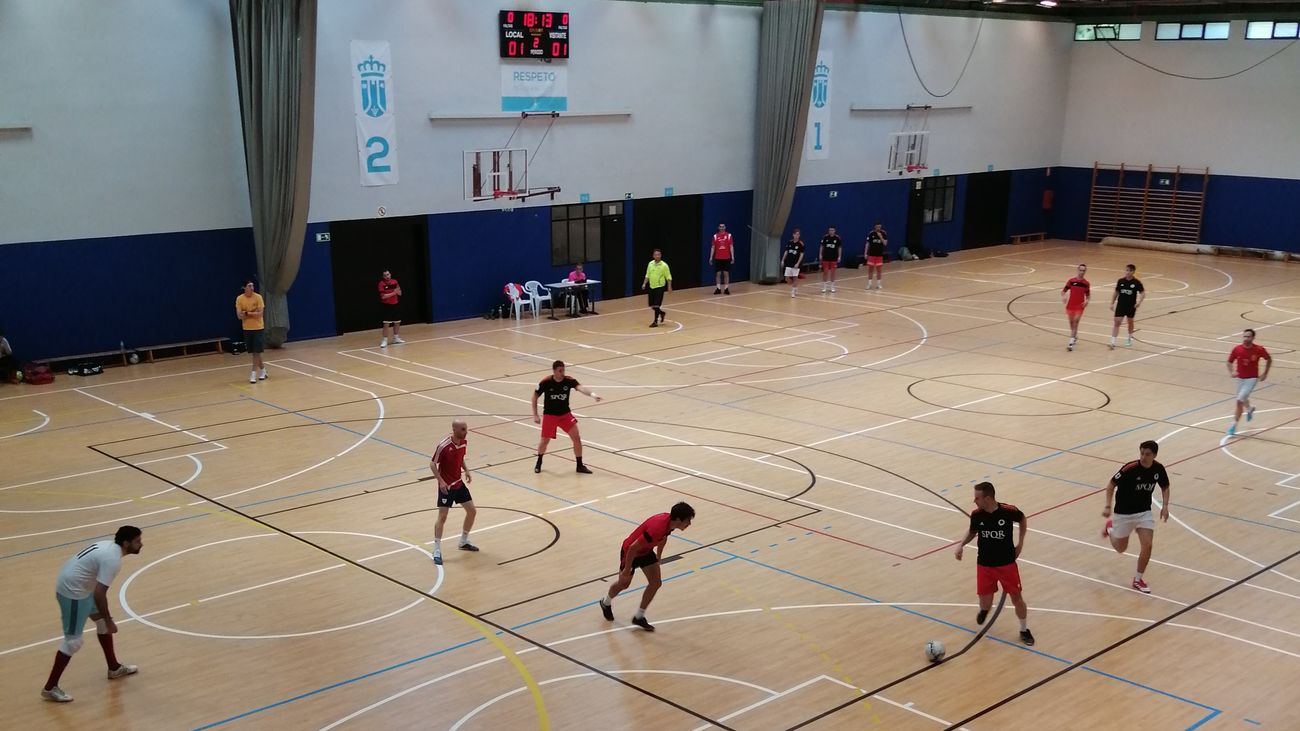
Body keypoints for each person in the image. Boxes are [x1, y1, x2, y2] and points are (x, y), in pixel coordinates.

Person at [41, 526, 144, 702]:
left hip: (80, 586)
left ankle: (114, 668)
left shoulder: (109, 547)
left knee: (102, 625)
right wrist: (110, 619)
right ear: (126, 543)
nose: (141, 544)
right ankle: (50, 688)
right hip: (73, 592)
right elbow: (99, 593)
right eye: (137, 541)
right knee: (73, 641)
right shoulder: (113, 560)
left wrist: (106, 620)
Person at [955, 482, 1034, 645]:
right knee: (985, 602)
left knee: (1017, 599)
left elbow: (1023, 519)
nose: (974, 501)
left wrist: (1020, 544)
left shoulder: (1008, 511)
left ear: (988, 498)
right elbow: (972, 531)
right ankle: (984, 610)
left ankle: (1024, 629)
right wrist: (961, 544)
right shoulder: (977, 515)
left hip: (1006, 564)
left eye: (977, 498)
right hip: (984, 565)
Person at [598, 502, 695, 631]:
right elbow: (632, 548)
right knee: (624, 584)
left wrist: (659, 557)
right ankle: (606, 602)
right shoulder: (657, 527)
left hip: (646, 551)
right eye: (688, 520)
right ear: (678, 519)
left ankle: (639, 616)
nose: (689, 524)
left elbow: (663, 538)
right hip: (630, 552)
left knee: (656, 582)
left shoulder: (669, 524)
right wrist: (627, 569)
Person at [1101, 440, 1170, 594]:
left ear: (1155, 455)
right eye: (1142, 453)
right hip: (1123, 514)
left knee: (1148, 545)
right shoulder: (1129, 469)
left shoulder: (1158, 469)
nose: (1144, 457)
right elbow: (1111, 484)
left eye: (1148, 454)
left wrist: (1165, 506)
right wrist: (1107, 506)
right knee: (1120, 548)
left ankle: (1138, 579)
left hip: (1143, 513)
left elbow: (1165, 487)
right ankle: (1110, 528)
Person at [532, 360, 602, 474]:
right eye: (560, 371)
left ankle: (579, 465)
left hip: (565, 415)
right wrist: (535, 415)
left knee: (577, 438)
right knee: (544, 441)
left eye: (563, 370)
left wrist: (593, 395)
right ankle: (539, 461)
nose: (562, 373)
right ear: (554, 371)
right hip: (550, 415)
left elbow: (580, 388)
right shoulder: (546, 382)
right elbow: (534, 397)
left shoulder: (568, 380)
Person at [430, 419, 477, 565]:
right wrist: (441, 481)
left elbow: (460, 458)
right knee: (442, 517)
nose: (466, 432)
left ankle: (463, 541)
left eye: (466, 428)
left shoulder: (463, 442)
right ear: (454, 429)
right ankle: (436, 549)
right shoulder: (444, 446)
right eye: (463, 429)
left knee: (472, 511)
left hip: (458, 483)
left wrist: (467, 470)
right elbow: (432, 464)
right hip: (446, 487)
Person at [1226, 328, 1272, 436]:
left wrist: (1265, 373)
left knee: (1239, 400)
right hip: (1240, 379)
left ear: (1253, 338)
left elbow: (1269, 359)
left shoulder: (1259, 349)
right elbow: (1229, 362)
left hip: (1251, 379)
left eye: (1248, 337)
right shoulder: (1237, 349)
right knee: (1243, 398)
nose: (1246, 339)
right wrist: (1232, 372)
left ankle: (1233, 425)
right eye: (1244, 336)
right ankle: (1250, 409)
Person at [235, 280, 267, 383]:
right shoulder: (240, 299)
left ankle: (253, 373)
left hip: (258, 328)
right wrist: (253, 313)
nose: (252, 288)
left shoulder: (258, 297)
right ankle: (263, 370)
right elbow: (239, 316)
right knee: (254, 352)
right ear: (244, 287)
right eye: (249, 286)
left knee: (256, 352)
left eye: (253, 285)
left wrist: (247, 313)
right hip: (247, 329)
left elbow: (260, 314)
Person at [1109, 264, 1145, 349]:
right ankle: (1112, 342)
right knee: (1117, 321)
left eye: (1130, 271)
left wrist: (1139, 302)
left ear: (1133, 272)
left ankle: (1129, 337)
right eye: (1127, 270)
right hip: (1121, 305)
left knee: (1130, 322)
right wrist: (1112, 303)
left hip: (1131, 306)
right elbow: (1116, 292)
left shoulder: (1136, 283)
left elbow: (1142, 293)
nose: (1128, 272)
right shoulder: (1121, 281)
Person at [1061, 263, 1090, 351]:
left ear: (1085, 271)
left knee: (1076, 321)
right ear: (1078, 270)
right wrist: (1064, 296)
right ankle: (1075, 336)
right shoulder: (1071, 281)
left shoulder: (1086, 283)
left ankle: (1070, 344)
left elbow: (1088, 296)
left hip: (1079, 306)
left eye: (1083, 270)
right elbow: (1063, 291)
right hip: (1071, 304)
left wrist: (1086, 301)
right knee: (1071, 323)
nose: (1082, 272)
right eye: (1080, 270)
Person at [642, 249, 673, 328]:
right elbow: (647, 275)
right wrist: (644, 283)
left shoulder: (664, 265)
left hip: (660, 287)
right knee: (652, 305)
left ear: (661, 255)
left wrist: (669, 287)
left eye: (658, 254)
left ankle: (655, 321)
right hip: (652, 286)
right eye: (655, 255)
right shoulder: (650, 264)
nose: (657, 256)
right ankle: (662, 313)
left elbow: (668, 277)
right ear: (653, 256)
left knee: (656, 305)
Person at [378, 270, 405, 348]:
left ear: (390, 274)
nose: (387, 276)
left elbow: (400, 293)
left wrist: (398, 291)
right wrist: (394, 292)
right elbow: (383, 296)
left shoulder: (395, 281)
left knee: (397, 322)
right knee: (386, 323)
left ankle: (396, 338)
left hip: (395, 304)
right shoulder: (381, 284)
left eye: (388, 274)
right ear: (383, 277)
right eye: (385, 275)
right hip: (386, 306)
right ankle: (384, 340)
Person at [710, 223, 734, 295]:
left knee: (726, 273)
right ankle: (718, 288)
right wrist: (711, 257)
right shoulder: (715, 236)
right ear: (718, 228)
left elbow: (731, 247)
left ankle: (726, 288)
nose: (722, 228)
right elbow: (713, 247)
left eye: (723, 226)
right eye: (720, 227)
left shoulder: (729, 235)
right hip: (718, 258)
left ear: (725, 227)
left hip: (726, 257)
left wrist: (732, 256)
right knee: (718, 274)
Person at [818, 226, 843, 293]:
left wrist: (839, 256)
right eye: (830, 230)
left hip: (834, 258)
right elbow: (821, 246)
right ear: (828, 231)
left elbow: (839, 248)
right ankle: (824, 287)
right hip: (826, 257)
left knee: (833, 272)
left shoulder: (837, 238)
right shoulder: (825, 237)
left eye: (832, 230)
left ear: (835, 231)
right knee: (825, 272)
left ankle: (832, 286)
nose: (831, 231)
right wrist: (820, 254)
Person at [864, 222, 888, 290]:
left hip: (879, 254)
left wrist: (881, 237)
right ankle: (869, 284)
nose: (878, 228)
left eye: (880, 227)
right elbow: (867, 244)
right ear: (875, 227)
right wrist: (865, 253)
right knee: (870, 270)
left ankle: (879, 284)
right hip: (871, 254)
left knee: (879, 270)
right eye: (877, 227)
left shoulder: (883, 233)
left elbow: (885, 243)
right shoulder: (871, 233)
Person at [783, 229, 806, 297]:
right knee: (786, 278)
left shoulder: (801, 244)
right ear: (793, 235)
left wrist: (798, 263)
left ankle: (793, 291)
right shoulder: (789, 242)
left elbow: (802, 254)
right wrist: (782, 260)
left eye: (798, 234)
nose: (797, 236)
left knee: (795, 277)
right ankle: (795, 286)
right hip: (789, 262)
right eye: (796, 234)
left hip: (796, 263)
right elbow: (786, 252)